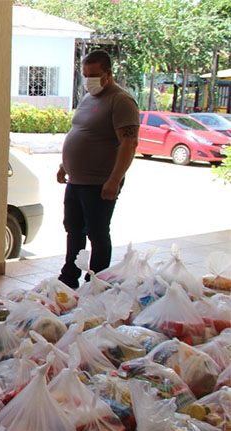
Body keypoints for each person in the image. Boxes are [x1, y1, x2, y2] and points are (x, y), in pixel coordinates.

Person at [57, 50, 139, 289]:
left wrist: (115, 179)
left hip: (100, 182)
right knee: (73, 229)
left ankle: (97, 281)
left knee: (97, 233)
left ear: (108, 73)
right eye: (85, 75)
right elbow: (82, 133)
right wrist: (65, 165)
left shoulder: (120, 100)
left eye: (94, 75)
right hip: (76, 179)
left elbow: (129, 143)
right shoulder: (88, 99)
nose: (89, 80)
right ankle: (68, 277)